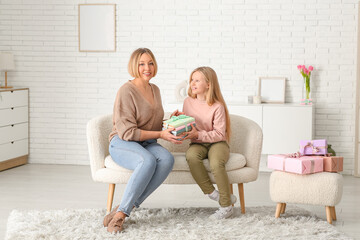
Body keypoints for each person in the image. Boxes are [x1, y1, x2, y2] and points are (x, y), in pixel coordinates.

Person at [105, 48, 181, 233]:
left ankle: (124, 206)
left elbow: (152, 122)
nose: (147, 68)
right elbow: (129, 132)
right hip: (123, 142)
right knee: (147, 161)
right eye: (142, 64)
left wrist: (172, 119)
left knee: (166, 159)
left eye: (150, 63)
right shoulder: (126, 90)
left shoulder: (155, 89)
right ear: (134, 66)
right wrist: (161, 135)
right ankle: (121, 215)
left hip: (146, 143)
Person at [178, 66, 236, 219]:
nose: (192, 83)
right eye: (192, 80)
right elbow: (188, 125)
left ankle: (226, 206)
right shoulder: (188, 102)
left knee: (216, 163)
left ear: (209, 84)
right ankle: (213, 194)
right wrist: (178, 119)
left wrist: (198, 134)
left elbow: (219, 134)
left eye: (197, 80)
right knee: (191, 156)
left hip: (218, 143)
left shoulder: (217, 106)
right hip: (197, 143)